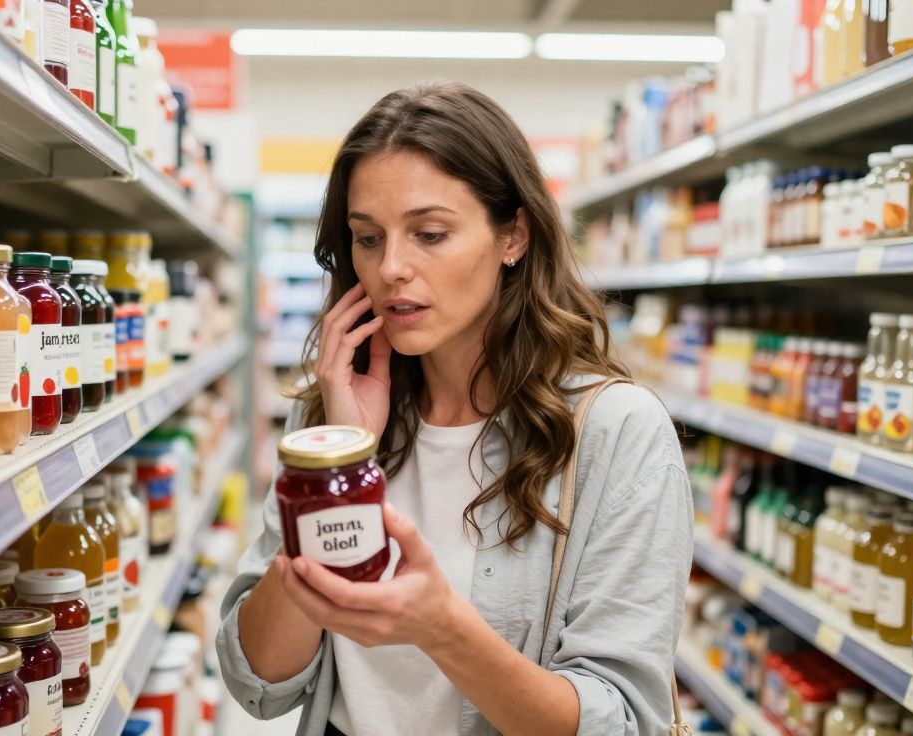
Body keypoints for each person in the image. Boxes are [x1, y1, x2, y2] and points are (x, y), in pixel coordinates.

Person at [217, 82, 693, 736]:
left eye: (430, 233)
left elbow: (624, 722)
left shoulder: (617, 432)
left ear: (513, 238)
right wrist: (339, 465)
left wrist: (443, 628)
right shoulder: (336, 418)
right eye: (367, 238)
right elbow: (258, 682)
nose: (391, 269)